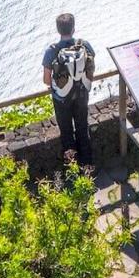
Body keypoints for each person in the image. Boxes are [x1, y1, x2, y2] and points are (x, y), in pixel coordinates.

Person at [42, 12, 95, 167]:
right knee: (82, 128)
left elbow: (46, 79)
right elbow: (90, 67)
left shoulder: (52, 50)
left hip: (61, 99)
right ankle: (87, 167)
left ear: (58, 30)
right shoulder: (84, 45)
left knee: (66, 133)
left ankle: (72, 168)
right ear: (73, 28)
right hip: (81, 94)